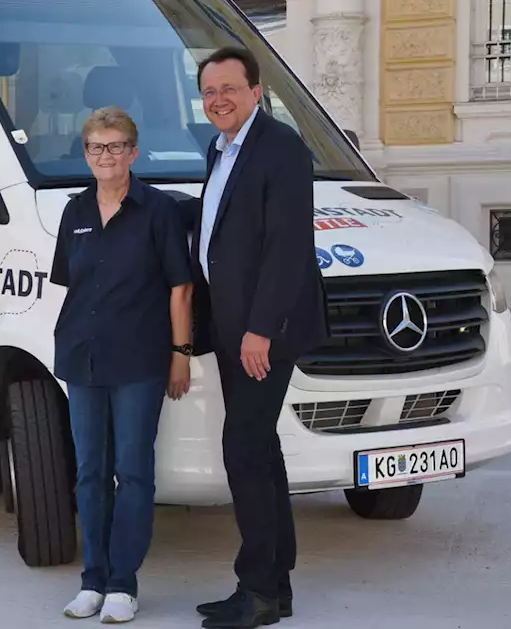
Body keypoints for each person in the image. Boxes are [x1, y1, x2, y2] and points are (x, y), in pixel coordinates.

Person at [188, 47, 327, 628]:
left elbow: (286, 249)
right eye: (209, 90)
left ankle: (258, 591)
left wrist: (259, 329)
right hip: (233, 328)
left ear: (255, 90)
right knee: (262, 452)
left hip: (261, 333)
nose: (218, 99)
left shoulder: (281, 149)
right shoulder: (220, 150)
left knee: (244, 451)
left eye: (228, 88)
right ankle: (278, 584)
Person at [49, 106, 195, 623]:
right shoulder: (75, 210)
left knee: (131, 472)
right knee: (89, 472)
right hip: (81, 357)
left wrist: (181, 356)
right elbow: (73, 284)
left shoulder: (157, 210)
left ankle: (122, 584)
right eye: (96, 147)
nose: (105, 156)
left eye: (115, 147)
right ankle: (92, 580)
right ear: (86, 154)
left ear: (134, 152)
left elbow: (180, 288)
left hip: (140, 360)